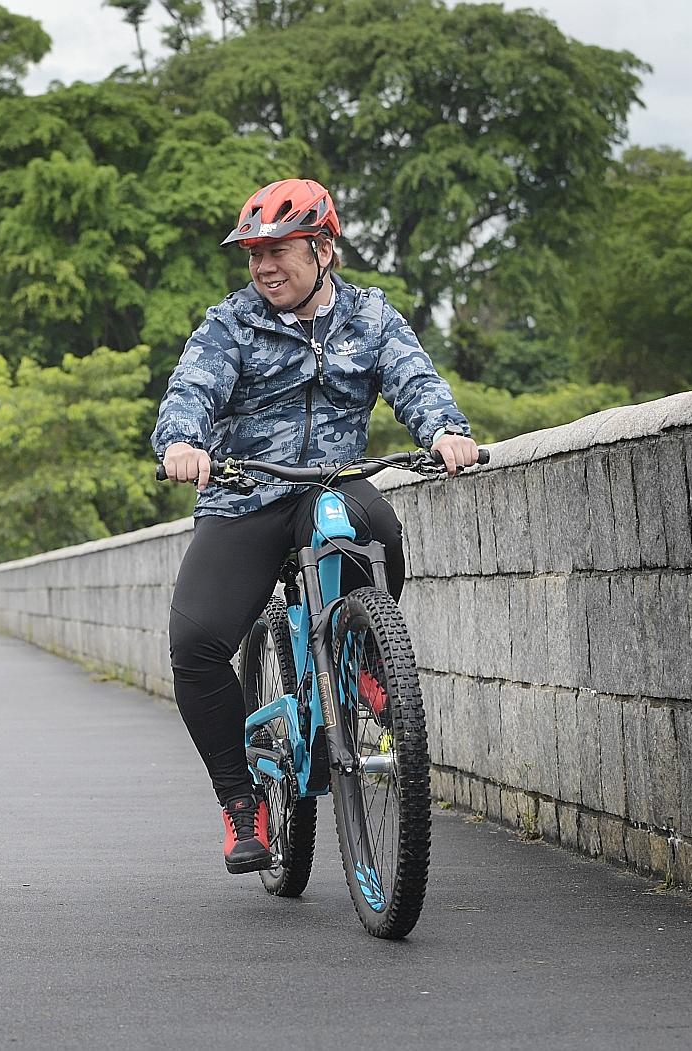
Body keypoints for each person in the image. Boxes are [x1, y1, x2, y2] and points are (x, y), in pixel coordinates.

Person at [152, 178, 479, 873]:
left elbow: (415, 380)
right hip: (246, 494)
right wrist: (182, 442)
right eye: (253, 255)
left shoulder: (371, 317)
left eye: (279, 251)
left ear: (324, 248)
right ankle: (243, 802)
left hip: (330, 484)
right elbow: (192, 388)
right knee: (196, 642)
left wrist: (446, 431)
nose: (264, 267)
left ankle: (363, 658)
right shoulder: (230, 323)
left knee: (379, 526)